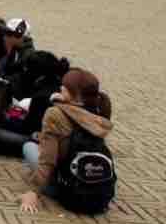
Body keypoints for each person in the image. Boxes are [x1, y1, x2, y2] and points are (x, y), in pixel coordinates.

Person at [19, 69, 113, 213]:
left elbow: (48, 161)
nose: (60, 88)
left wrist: (33, 192)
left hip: (67, 189)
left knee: (29, 146)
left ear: (69, 93)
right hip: (101, 195)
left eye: (64, 87)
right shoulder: (99, 111)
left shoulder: (55, 114)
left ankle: (43, 184)